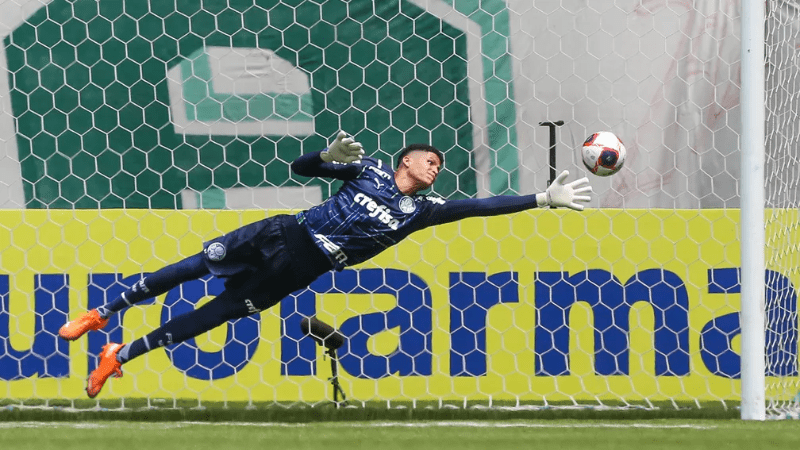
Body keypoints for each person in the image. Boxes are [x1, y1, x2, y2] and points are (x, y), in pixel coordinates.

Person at [59, 131, 593, 398]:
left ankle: (118, 355)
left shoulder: (422, 210)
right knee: (198, 265)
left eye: (439, 165)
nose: (435, 167)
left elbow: (480, 207)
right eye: (429, 159)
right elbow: (300, 168)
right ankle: (102, 313)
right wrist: (325, 158)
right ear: (406, 160)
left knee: (214, 315)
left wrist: (542, 199)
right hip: (282, 232)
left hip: (305, 267)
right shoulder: (369, 171)